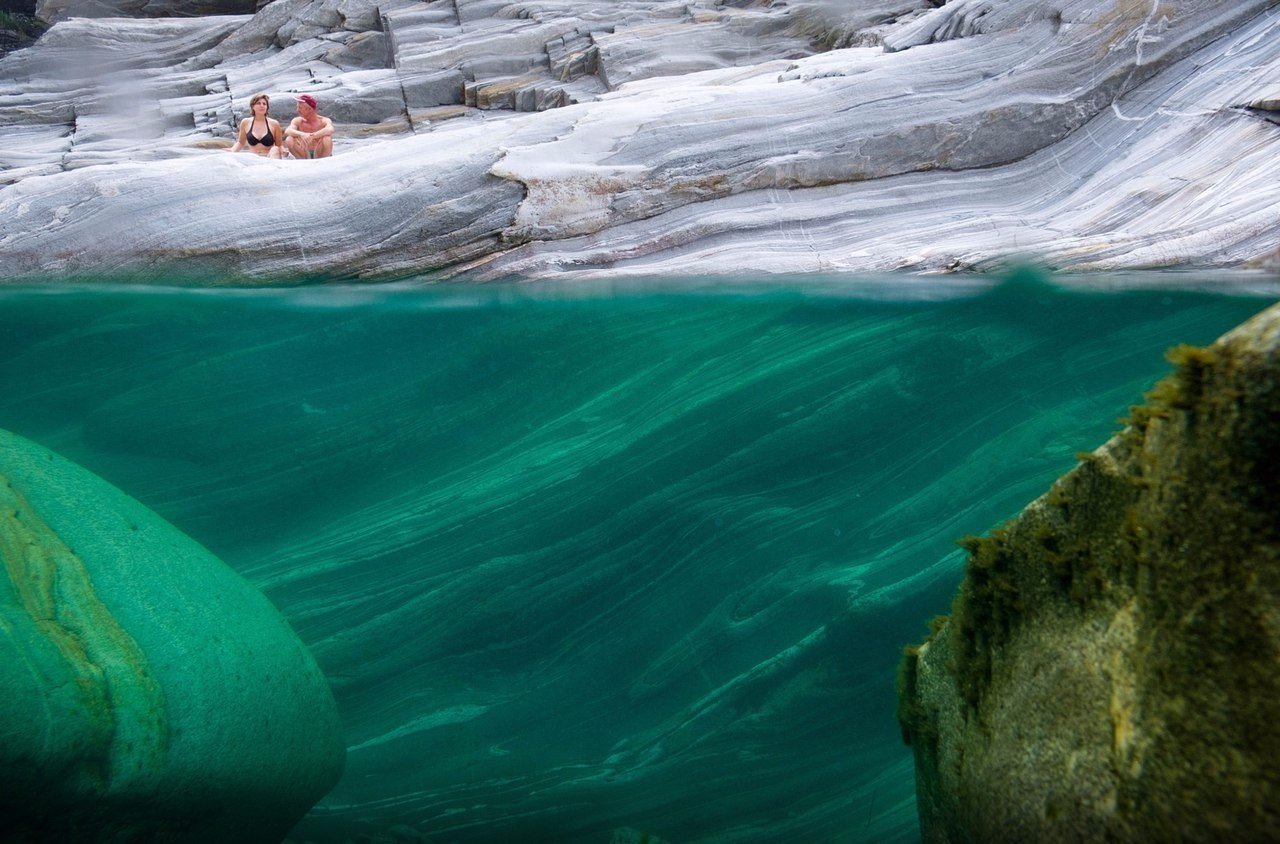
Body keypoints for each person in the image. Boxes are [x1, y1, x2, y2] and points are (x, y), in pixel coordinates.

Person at [225, 93, 283, 159]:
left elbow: (279, 145)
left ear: (267, 107)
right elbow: (240, 142)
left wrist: (283, 151)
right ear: (253, 106)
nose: (262, 106)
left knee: (275, 149)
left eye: (264, 104)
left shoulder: (274, 124)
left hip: (269, 157)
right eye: (258, 103)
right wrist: (232, 151)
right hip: (253, 158)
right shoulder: (245, 122)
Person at [284, 94, 334, 159]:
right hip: (304, 152)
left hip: (320, 151)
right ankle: (302, 161)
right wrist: (302, 134)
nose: (297, 110)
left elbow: (330, 129)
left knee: (327, 138)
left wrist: (313, 136)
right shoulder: (298, 120)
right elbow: (288, 131)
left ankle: (324, 161)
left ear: (309, 109)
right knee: (289, 139)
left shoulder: (323, 120)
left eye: (300, 108)